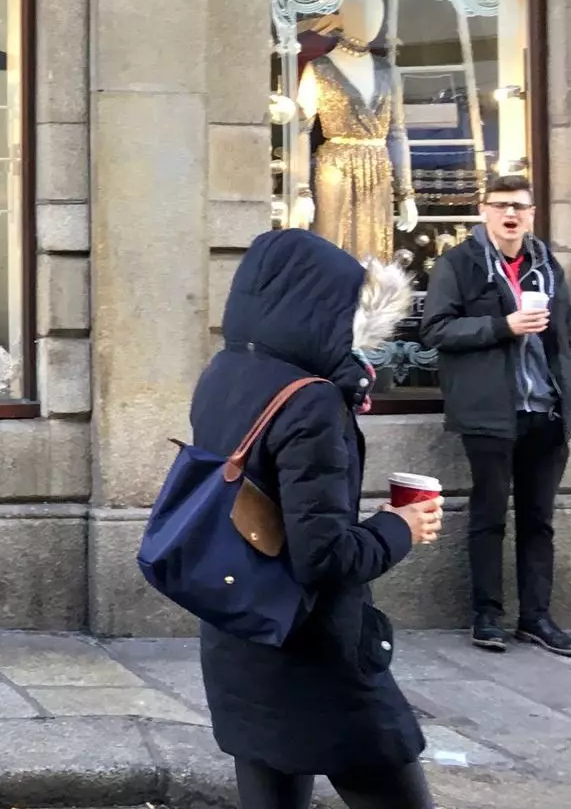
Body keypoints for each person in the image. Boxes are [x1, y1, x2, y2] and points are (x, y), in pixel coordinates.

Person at [194, 229, 442, 809]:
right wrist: (398, 527)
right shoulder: (311, 400)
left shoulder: (224, 373)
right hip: (315, 660)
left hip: (239, 635)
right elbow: (324, 557)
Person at [420, 172, 571, 657]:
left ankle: (536, 618)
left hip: (546, 411)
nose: (510, 214)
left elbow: (566, 345)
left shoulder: (547, 267)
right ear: (484, 211)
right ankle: (487, 616)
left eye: (518, 206)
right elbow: (435, 330)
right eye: (500, 206)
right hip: (489, 412)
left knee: (540, 520)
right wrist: (503, 325)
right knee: (489, 515)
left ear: (532, 213)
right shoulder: (459, 263)